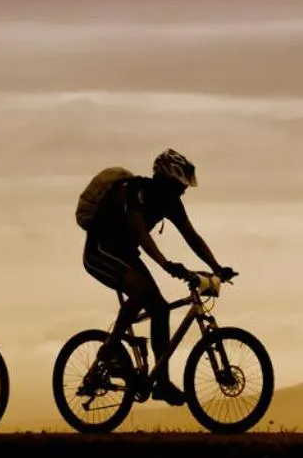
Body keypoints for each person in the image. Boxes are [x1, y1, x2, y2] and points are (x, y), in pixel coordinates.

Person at [81, 148, 235, 406]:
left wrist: (217, 267)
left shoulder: (171, 203)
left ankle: (161, 383)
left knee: (161, 309)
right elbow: (141, 233)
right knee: (140, 292)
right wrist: (166, 264)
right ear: (166, 180)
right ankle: (109, 350)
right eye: (180, 186)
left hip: (126, 255)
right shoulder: (134, 192)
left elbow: (192, 237)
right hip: (100, 251)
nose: (183, 191)